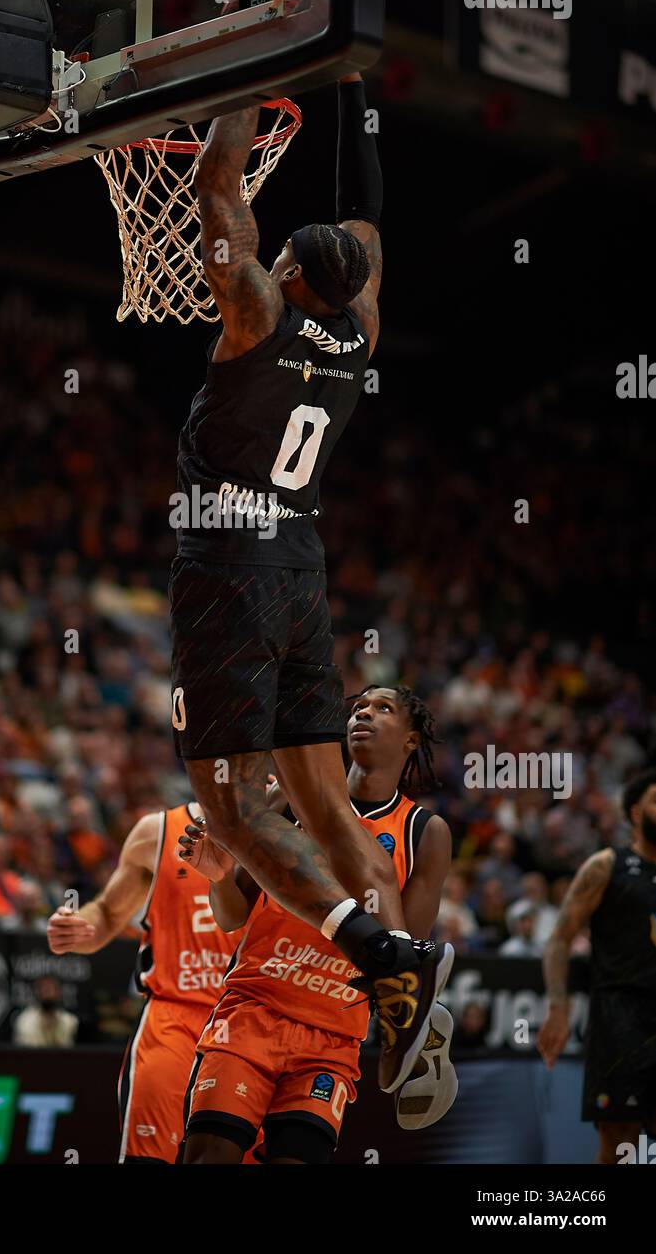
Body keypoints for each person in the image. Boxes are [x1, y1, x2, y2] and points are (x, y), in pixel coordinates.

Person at [169, 69, 444, 1086]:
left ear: (286, 270)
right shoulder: (357, 332)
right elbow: (364, 217)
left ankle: (373, 949)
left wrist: (248, 62)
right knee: (327, 809)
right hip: (298, 564)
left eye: (277, 254)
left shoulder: (254, 315)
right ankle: (406, 971)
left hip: (228, 566)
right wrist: (354, 86)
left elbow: (216, 187)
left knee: (235, 811)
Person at [178, 687, 456, 1162]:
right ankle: (424, 1032)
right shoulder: (287, 800)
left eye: (383, 708)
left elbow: (404, 950)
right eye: (357, 708)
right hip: (254, 1011)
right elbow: (230, 916)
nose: (363, 713)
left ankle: (421, 1029)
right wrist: (220, 877)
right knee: (209, 1155)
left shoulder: (424, 832)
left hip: (333, 1036)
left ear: (412, 740)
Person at [48, 802, 243, 1164]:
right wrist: (79, 927)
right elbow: (107, 911)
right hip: (173, 1015)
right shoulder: (157, 831)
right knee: (146, 1157)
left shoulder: (279, 828)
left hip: (243, 1022)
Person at [538, 767, 656, 1164]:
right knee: (620, 1145)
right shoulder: (607, 865)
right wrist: (558, 1007)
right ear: (635, 812)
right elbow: (559, 939)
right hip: (619, 1018)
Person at [13, 975, 78, 1048]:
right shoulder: (25, 1021)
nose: (48, 993)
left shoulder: (70, 1021)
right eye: (44, 989)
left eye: (52, 989)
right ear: (37, 993)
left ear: (59, 993)